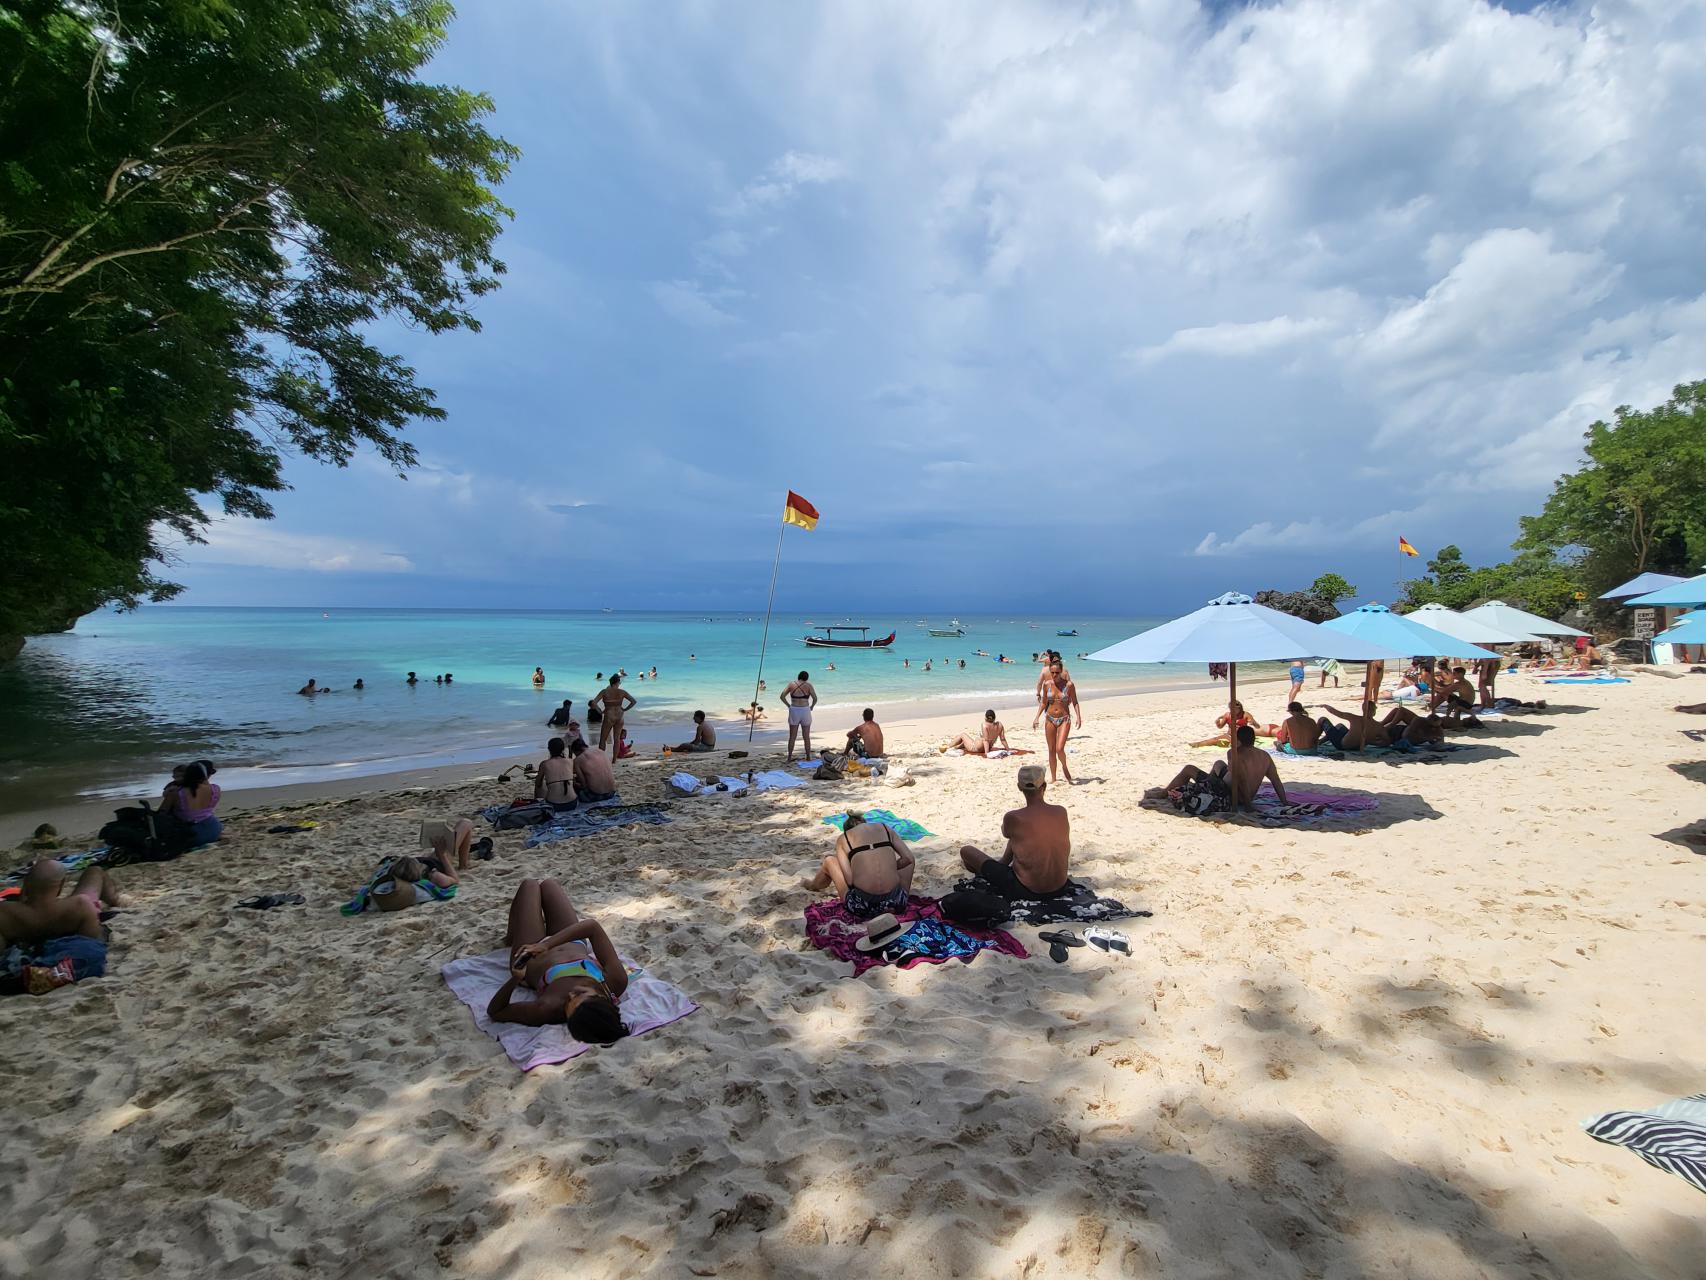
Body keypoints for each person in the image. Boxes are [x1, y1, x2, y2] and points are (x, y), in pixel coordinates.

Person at [487, 879, 629, 1043]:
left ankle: (512, 937)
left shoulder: (548, 1007)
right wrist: (546, 945)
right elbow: (592, 927)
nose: (570, 994)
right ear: (601, 998)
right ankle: (514, 934)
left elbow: (496, 1011)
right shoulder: (615, 981)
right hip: (567, 941)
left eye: (568, 1003)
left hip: (531, 956)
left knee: (529, 885)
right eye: (579, 994)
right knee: (549, 885)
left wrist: (516, 978)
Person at [959, 765, 1071, 898]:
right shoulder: (1061, 812)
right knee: (1018, 836)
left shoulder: (1013, 817)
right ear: (1044, 786)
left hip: (1026, 889)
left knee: (966, 851)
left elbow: (1005, 832)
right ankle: (1002, 864)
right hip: (1060, 887)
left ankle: (987, 874)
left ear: (1019, 787)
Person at [801, 811, 916, 919]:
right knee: (909, 864)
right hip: (897, 902)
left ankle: (812, 885)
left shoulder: (844, 838)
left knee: (830, 861)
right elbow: (908, 859)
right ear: (863, 822)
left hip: (862, 906)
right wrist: (889, 868)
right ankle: (892, 901)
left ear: (847, 830)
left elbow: (850, 881)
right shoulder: (885, 828)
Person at [1149, 725, 1287, 812]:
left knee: (1189, 769)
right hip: (1247, 795)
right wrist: (1284, 801)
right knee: (1218, 764)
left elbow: (1241, 779)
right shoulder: (1265, 756)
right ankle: (1205, 784)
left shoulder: (1235, 753)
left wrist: (1248, 805)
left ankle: (1163, 793)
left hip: (1230, 794)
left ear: (1238, 740)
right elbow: (1276, 781)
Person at [0, 860, 122, 944]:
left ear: (25, 885)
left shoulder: (4, 912)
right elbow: (93, 942)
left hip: (26, 935)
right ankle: (115, 900)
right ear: (62, 884)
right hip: (67, 924)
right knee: (95, 871)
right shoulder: (80, 905)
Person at [1032, 657, 1081, 784]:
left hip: (1064, 719)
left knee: (1060, 748)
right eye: (1052, 672)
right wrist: (1037, 717)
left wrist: (1079, 717)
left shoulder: (1069, 685)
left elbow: (1075, 702)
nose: (1054, 675)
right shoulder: (1047, 684)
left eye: (1057, 672)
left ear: (1061, 672)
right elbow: (1043, 703)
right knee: (1051, 749)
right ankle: (1053, 777)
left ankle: (1064, 766)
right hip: (1049, 719)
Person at [369, 853, 459, 913]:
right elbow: (455, 880)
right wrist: (442, 855)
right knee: (464, 825)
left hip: (426, 860)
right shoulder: (434, 875)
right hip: (438, 861)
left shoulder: (400, 872)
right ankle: (464, 865)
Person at [1189, 700, 1275, 748]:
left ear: (1239, 708)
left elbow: (1258, 726)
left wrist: (1253, 723)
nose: (1232, 711)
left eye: (1234, 709)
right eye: (1231, 709)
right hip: (1229, 735)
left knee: (1225, 742)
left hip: (1242, 737)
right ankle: (1198, 744)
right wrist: (1217, 723)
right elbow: (1220, 727)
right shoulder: (1227, 715)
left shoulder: (1245, 715)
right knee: (1215, 739)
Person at [173, 762, 222, 843]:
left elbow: (162, 812)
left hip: (192, 834)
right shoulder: (215, 789)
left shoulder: (177, 792)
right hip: (214, 829)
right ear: (205, 775)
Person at [1317, 701, 1389, 751]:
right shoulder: (1379, 726)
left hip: (1343, 745)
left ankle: (1313, 742)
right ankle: (1320, 741)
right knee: (1340, 726)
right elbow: (1387, 742)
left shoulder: (1354, 718)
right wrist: (1371, 742)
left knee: (1322, 719)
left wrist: (1326, 706)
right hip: (1358, 747)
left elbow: (1337, 713)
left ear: (1363, 710)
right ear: (1374, 711)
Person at [590, 674, 636, 753]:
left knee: (603, 739)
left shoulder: (604, 691)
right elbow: (633, 701)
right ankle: (614, 760)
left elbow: (593, 703)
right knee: (617, 739)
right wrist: (625, 709)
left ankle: (602, 759)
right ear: (617, 682)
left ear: (610, 682)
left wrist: (600, 711)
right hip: (619, 716)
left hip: (609, 715)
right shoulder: (622, 692)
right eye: (619, 683)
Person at [782, 670, 818, 762]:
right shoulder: (809, 685)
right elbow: (815, 698)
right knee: (806, 736)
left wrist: (788, 705)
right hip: (805, 710)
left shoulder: (791, 684)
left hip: (794, 710)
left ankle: (789, 757)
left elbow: (782, 696)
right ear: (807, 678)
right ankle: (808, 757)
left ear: (798, 676)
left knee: (792, 736)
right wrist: (812, 706)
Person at [940, 709, 1010, 755]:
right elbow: (1003, 739)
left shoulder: (984, 725)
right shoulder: (999, 725)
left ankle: (947, 747)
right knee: (964, 743)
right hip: (987, 747)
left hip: (975, 748)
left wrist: (987, 753)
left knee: (963, 735)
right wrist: (1008, 750)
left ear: (985, 717)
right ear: (994, 717)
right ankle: (956, 747)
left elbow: (985, 740)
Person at [534, 738, 577, 807]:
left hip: (554, 804)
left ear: (549, 749)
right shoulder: (570, 761)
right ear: (563, 749)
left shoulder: (544, 764)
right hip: (572, 803)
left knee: (540, 783)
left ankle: (537, 803)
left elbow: (538, 784)